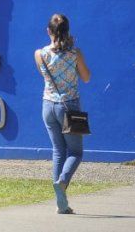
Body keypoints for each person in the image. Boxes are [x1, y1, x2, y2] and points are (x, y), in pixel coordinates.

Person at [34, 13, 91, 214]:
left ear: (48, 31)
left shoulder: (39, 54)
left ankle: (61, 204)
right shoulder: (75, 53)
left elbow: (45, 76)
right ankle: (63, 181)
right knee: (75, 152)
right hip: (69, 106)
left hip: (47, 106)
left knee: (58, 150)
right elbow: (86, 78)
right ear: (67, 31)